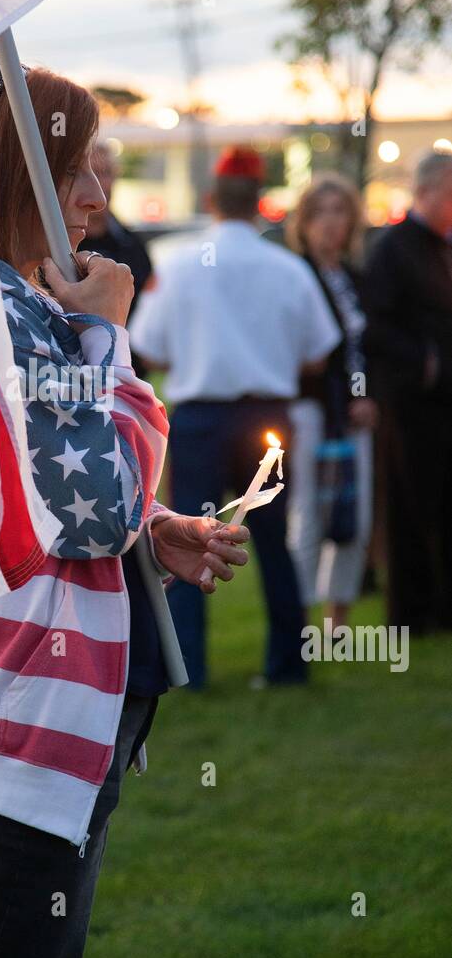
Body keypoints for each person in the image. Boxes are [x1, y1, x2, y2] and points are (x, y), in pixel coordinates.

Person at [0, 54, 250, 958]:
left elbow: (60, 502)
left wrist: (151, 534)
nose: (96, 197)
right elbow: (89, 505)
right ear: (14, 175)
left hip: (25, 708)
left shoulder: (7, 303)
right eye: (75, 173)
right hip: (16, 718)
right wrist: (107, 340)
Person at [129, 146, 341, 689]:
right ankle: (289, 666)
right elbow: (319, 351)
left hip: (199, 419)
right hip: (269, 416)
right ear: (260, 203)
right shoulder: (288, 267)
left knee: (189, 539)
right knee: (275, 544)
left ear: (210, 200)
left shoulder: (178, 265)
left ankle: (188, 669)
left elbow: (147, 346)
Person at [362, 149, 452, 633]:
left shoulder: (442, 244)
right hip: (411, 403)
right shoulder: (394, 249)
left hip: (443, 403)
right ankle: (412, 613)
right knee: (411, 507)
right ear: (428, 191)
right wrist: (427, 362)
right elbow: (373, 326)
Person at [284, 174, 378, 630]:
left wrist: (366, 396)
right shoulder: (294, 275)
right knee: (308, 512)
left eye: (340, 211)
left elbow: (368, 351)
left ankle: (336, 621)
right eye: (319, 212)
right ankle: (299, 619)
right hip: (310, 409)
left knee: (353, 512)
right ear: (303, 221)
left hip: (355, 412)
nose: (330, 223)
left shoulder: (358, 279)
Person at [77, 140, 154, 378]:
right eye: (93, 173)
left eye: (106, 173)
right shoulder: (57, 245)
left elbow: (148, 310)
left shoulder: (134, 246)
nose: (102, 183)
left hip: (127, 369)